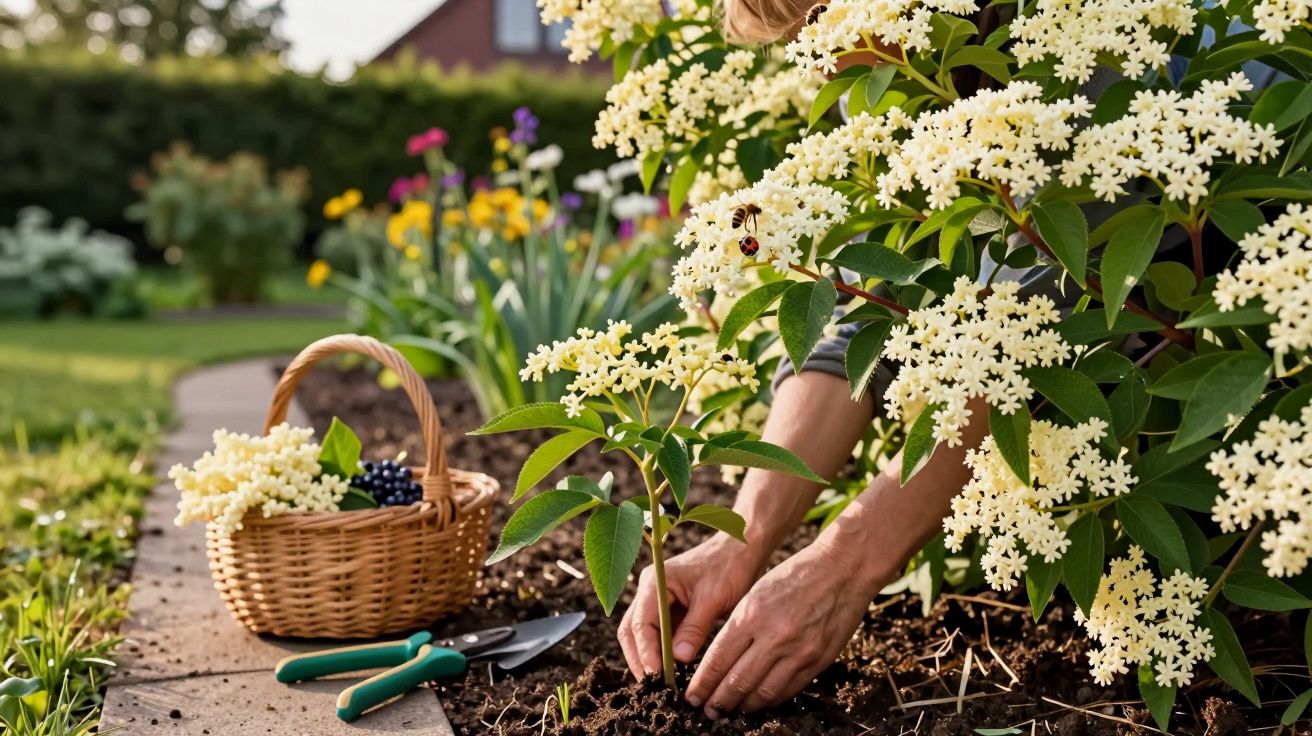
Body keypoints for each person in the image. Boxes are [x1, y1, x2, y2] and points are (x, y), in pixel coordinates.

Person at [617, 0, 1284, 721]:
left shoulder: (1065, 34)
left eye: (821, 18)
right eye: (805, 39)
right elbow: (852, 330)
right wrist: (736, 543)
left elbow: (1034, 336)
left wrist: (845, 567)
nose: (823, 59)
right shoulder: (888, 59)